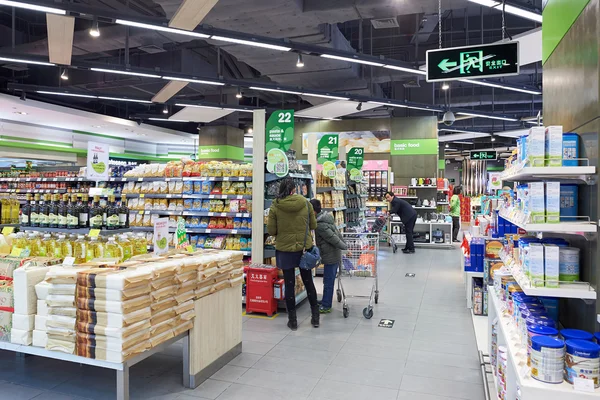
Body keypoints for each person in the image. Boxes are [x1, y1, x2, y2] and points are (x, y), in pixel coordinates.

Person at [267, 177, 319, 331]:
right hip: (303, 249)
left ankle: (293, 321)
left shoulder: (275, 206)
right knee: (308, 282)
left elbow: (271, 231)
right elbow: (313, 225)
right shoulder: (305, 203)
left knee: (289, 284)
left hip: (285, 250)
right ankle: (315, 318)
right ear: (294, 190)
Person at [310, 199, 347, 314]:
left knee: (328, 281)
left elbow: (333, 238)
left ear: (313, 211)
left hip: (331, 255)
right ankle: (325, 300)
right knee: (327, 280)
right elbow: (337, 233)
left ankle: (326, 305)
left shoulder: (320, 225)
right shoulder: (326, 218)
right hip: (332, 254)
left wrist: (345, 247)